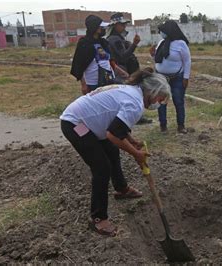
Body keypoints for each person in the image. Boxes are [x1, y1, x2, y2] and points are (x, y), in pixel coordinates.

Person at [60, 68, 171, 236]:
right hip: (76, 124)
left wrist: (132, 141)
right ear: (152, 92)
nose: (159, 103)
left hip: (87, 121)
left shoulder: (133, 92)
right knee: (101, 167)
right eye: (160, 99)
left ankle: (121, 189)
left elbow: (117, 126)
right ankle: (98, 219)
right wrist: (136, 153)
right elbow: (112, 135)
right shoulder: (135, 104)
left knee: (111, 152)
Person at [70, 15, 127, 94]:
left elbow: (109, 61)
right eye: (101, 27)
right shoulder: (84, 43)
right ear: (94, 27)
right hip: (93, 84)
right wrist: (83, 84)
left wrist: (121, 71)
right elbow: (78, 65)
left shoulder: (103, 42)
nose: (104, 29)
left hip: (108, 80)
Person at [152, 20, 191, 134]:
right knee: (161, 102)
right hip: (161, 78)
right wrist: (153, 54)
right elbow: (160, 58)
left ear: (169, 31)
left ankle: (181, 125)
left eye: (163, 31)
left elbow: (187, 61)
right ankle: (163, 125)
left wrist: (186, 77)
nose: (161, 33)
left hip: (177, 78)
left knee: (178, 101)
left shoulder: (181, 44)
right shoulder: (161, 43)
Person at [106, 12, 141, 77]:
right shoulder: (115, 39)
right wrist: (134, 44)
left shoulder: (117, 38)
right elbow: (123, 56)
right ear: (115, 25)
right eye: (122, 24)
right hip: (121, 71)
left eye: (125, 24)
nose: (124, 26)